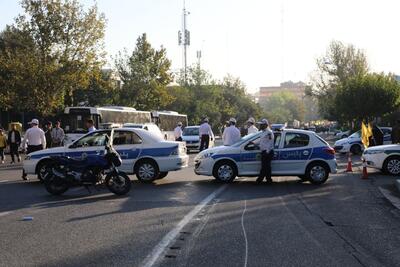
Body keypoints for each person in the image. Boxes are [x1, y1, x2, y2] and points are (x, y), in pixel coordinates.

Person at [256, 119, 274, 184]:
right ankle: (268, 179)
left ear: (265, 125)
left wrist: (267, 151)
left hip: (267, 152)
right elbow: (261, 142)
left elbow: (270, 142)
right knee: (266, 166)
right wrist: (254, 143)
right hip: (264, 151)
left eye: (261, 125)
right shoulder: (263, 132)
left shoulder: (269, 132)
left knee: (265, 166)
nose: (260, 126)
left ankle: (260, 180)